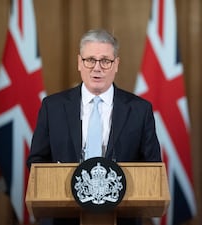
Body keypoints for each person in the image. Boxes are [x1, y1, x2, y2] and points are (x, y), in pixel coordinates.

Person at [27, 29, 161, 225]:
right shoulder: (52, 107)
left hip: (122, 218)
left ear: (116, 64)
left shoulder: (139, 110)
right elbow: (36, 161)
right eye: (90, 60)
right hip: (64, 219)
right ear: (79, 63)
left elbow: (152, 166)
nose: (97, 68)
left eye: (105, 61)